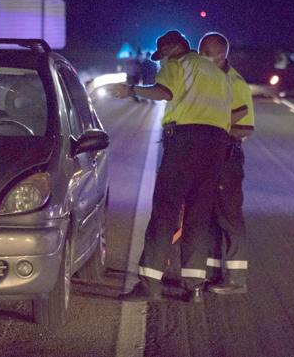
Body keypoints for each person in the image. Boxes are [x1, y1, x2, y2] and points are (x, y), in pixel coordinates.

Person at [109, 30, 232, 302]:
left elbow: (165, 92)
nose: (160, 61)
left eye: (161, 54)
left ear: (172, 49)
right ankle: (194, 288)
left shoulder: (177, 63)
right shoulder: (214, 71)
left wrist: (131, 90)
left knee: (166, 210)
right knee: (198, 217)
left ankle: (150, 286)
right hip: (217, 146)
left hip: (186, 143)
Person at [199, 32, 254, 294]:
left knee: (229, 217)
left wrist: (214, 129)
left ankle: (235, 279)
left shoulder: (236, 83)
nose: (201, 58)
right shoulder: (207, 80)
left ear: (221, 56)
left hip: (227, 159)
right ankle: (213, 273)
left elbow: (245, 128)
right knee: (210, 217)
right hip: (208, 157)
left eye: (206, 53)